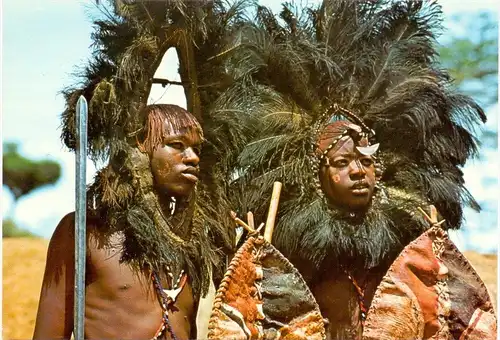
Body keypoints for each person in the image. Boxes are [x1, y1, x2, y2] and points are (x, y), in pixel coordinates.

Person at [206, 0, 497, 339]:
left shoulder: (410, 244)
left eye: (367, 161)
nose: (359, 172)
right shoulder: (289, 248)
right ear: (317, 177)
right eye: (342, 163)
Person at [33, 104, 229, 339]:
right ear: (140, 146)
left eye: (197, 149)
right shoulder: (85, 232)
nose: (193, 158)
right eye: (177, 145)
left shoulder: (189, 245)